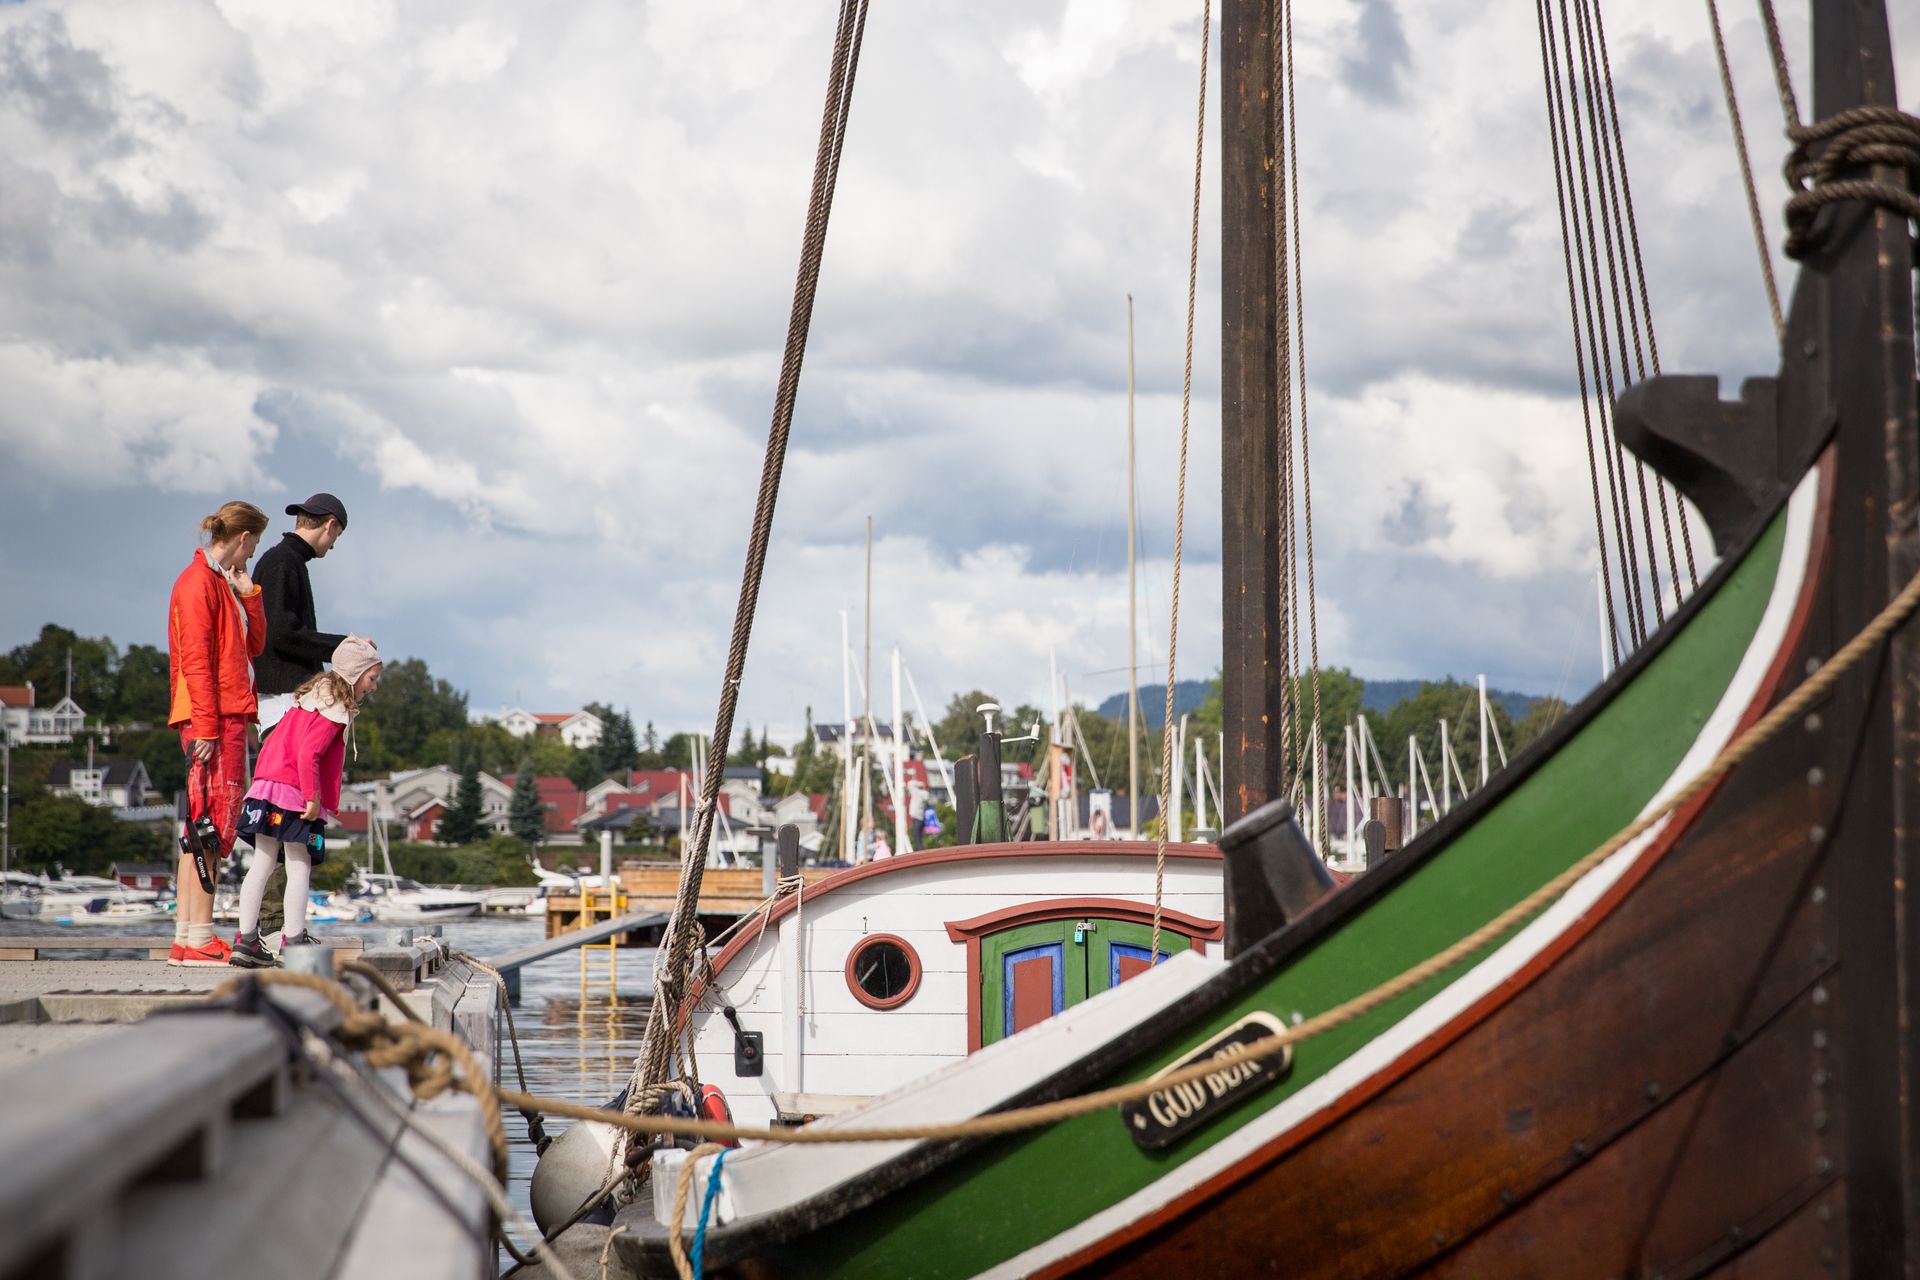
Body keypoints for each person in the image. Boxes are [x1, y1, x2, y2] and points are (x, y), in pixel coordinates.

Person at [230, 637, 383, 967]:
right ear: (355, 675)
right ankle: (294, 941)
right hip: (295, 791)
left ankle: (246, 941)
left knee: (262, 862)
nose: (374, 687)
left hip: (267, 784)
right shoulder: (335, 707)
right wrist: (313, 797)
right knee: (300, 864)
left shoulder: (312, 697)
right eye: (372, 678)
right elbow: (309, 753)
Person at [167, 501, 270, 967]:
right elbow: (195, 662)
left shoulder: (220, 583)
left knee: (198, 828)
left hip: (220, 714)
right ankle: (202, 935)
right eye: (253, 547)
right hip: (215, 717)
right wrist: (205, 726)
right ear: (244, 539)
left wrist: (250, 596)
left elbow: (254, 647)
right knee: (212, 825)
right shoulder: (198, 584)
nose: (251, 557)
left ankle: (188, 937)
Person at [254, 493, 350, 734]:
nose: (334, 545)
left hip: (285, 696)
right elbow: (281, 633)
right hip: (282, 699)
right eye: (336, 536)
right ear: (330, 525)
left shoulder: (287, 560)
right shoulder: (283, 562)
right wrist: (344, 646)